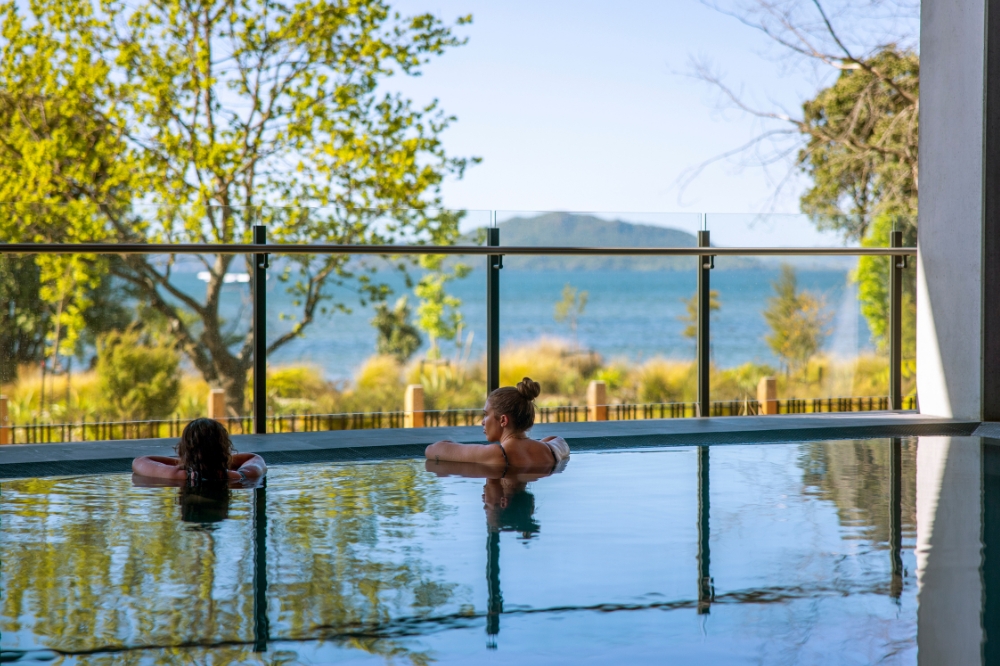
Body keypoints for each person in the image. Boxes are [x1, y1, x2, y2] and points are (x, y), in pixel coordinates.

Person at [425, 377, 570, 468]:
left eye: (486, 415)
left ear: (503, 420)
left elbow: (432, 450)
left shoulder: (497, 455)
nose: (482, 422)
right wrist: (531, 446)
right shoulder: (552, 450)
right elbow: (557, 440)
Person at [132, 418, 266, 482]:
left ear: (184, 449)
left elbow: (139, 461)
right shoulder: (238, 477)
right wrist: (217, 464)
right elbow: (254, 458)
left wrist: (187, 462)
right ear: (224, 449)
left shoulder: (175, 475)